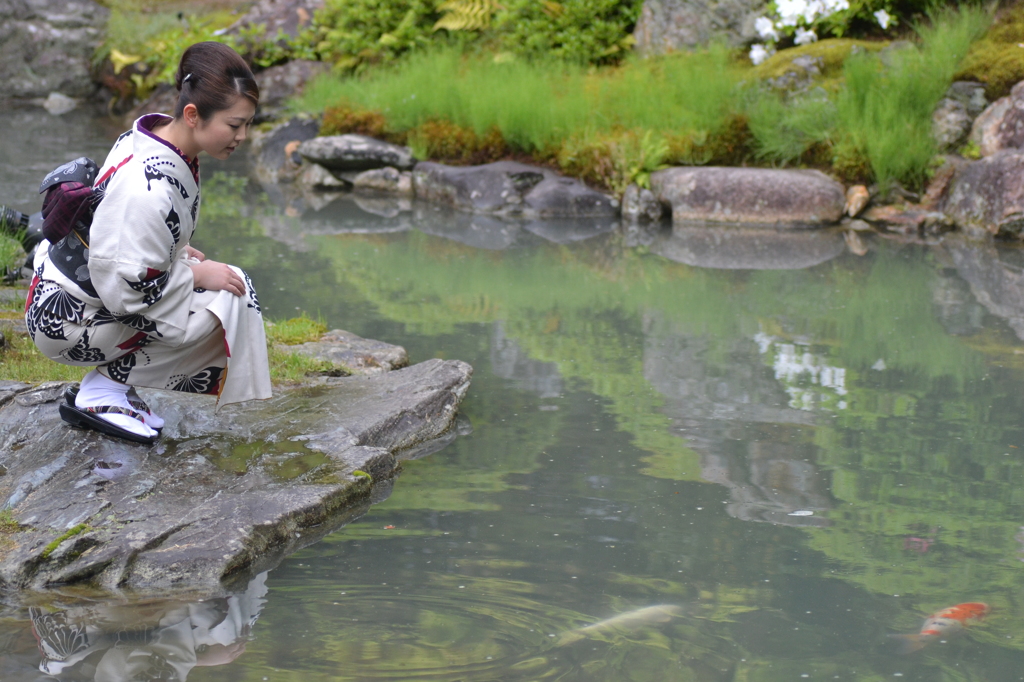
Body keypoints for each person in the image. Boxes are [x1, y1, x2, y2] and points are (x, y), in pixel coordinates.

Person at [24, 41, 272, 444]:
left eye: (247, 124)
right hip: (67, 320)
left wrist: (176, 253)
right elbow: (127, 289)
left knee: (229, 288)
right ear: (193, 115)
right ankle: (101, 391)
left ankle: (115, 388)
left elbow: (119, 236)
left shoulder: (153, 137)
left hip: (78, 293)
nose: (242, 135)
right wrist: (193, 275)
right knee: (225, 304)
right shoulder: (148, 188)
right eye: (234, 125)